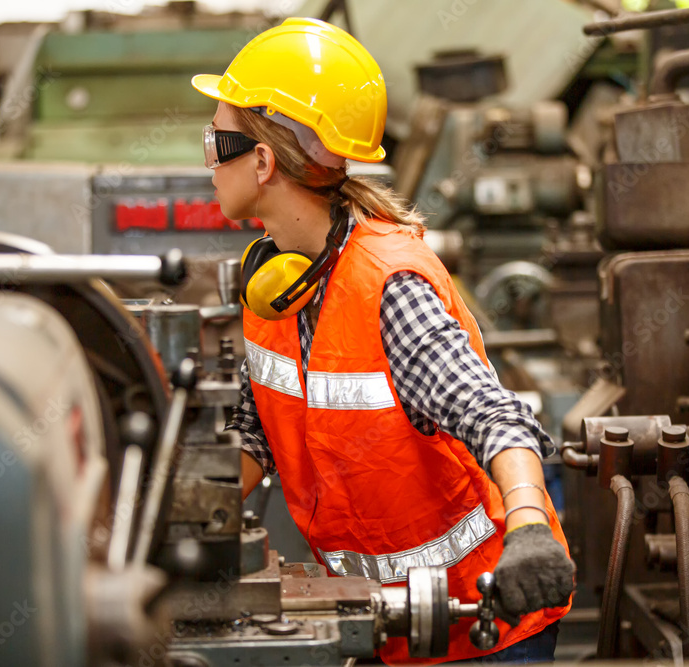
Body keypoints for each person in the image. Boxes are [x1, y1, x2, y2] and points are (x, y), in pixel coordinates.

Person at [191, 17, 576, 664]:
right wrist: (177, 523)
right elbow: (260, 432)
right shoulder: (273, 282)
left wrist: (530, 526)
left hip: (483, 619)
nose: (207, 161)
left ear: (262, 160)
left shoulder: (386, 286)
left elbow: (492, 412)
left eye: (216, 141)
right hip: (384, 620)